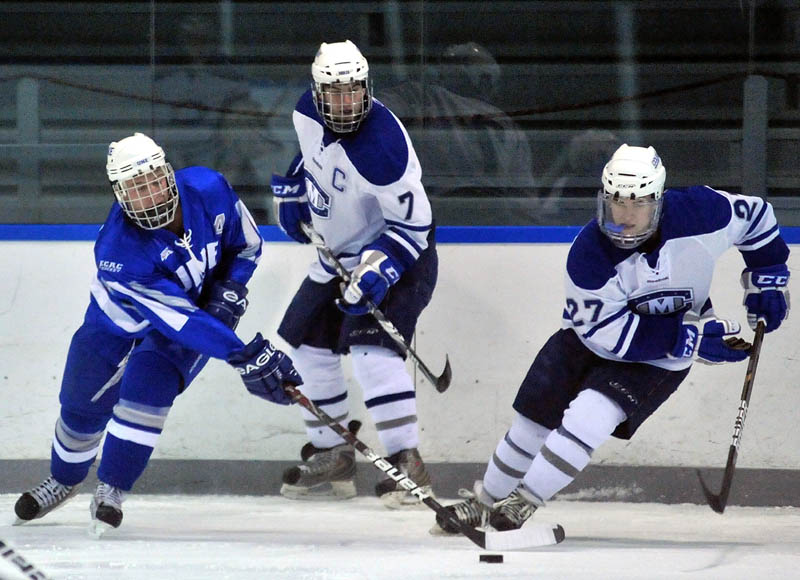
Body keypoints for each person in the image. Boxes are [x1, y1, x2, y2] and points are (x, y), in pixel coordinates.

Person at [433, 144, 791, 534]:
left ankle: (525, 500)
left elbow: (756, 216)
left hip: (655, 362)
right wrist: (691, 339)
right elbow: (611, 336)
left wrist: (767, 276)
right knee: (531, 424)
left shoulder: (701, 213)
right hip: (585, 341)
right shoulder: (588, 254)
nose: (625, 218)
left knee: (590, 417)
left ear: (659, 200)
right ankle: (484, 502)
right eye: (617, 204)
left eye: (638, 206)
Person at [13, 132, 301, 536]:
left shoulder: (208, 187)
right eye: (135, 188)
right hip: (122, 324)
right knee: (80, 406)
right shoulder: (118, 250)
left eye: (153, 180)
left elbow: (247, 246)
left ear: (168, 173)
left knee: (147, 395)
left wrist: (231, 290)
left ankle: (112, 488)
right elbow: (176, 316)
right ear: (119, 194)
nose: (149, 195)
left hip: (198, 320)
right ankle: (64, 479)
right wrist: (242, 353)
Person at [270, 40, 439, 509]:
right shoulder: (306, 112)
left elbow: (415, 227)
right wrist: (294, 193)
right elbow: (312, 158)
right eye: (335, 93)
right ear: (317, 91)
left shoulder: (384, 147)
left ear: (366, 87)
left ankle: (409, 463)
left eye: (353, 91)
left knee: (370, 349)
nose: (345, 103)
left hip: (400, 256)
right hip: (335, 257)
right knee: (306, 345)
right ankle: (334, 454)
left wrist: (378, 267)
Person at [379, 42, 536, 223]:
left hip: (458, 225)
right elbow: (526, 208)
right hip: (450, 225)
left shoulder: (420, 98)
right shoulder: (421, 98)